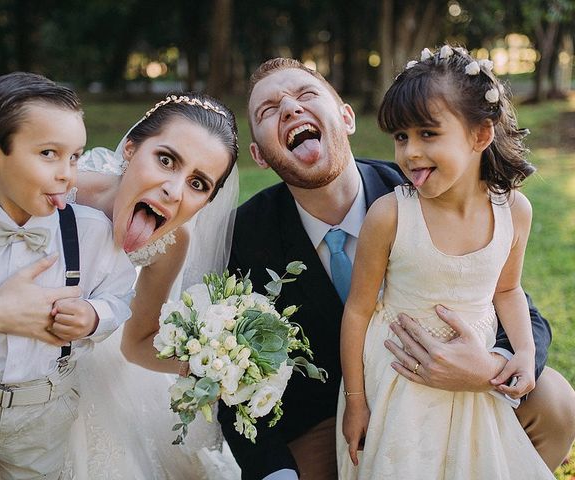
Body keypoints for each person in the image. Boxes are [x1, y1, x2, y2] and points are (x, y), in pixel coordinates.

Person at [221, 57, 575, 480]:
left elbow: (508, 296)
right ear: (259, 154)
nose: (291, 109)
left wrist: (489, 368)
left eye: (306, 94)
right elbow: (229, 373)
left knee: (555, 400)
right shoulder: (246, 235)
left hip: (457, 385)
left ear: (346, 117)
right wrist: (274, 470)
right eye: (268, 109)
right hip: (327, 416)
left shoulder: (428, 187)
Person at [338, 45, 553, 479]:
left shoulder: (514, 211)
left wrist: (524, 353)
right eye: (401, 137)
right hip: (399, 380)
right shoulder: (391, 215)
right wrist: (358, 400)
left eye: (428, 134)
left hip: (472, 375)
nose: (410, 153)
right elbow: (358, 310)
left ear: (480, 136)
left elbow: (507, 290)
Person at [0, 72, 137, 479]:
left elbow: (121, 295)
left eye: (75, 156)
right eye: (49, 153)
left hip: (42, 414)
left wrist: (95, 315)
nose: (67, 173)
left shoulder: (91, 233)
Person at [60, 93, 242, 479]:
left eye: (198, 183)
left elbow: (136, 343)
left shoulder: (172, 244)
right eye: (166, 160)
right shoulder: (62, 191)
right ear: (129, 149)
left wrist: (212, 364)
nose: (174, 191)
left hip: (98, 368)